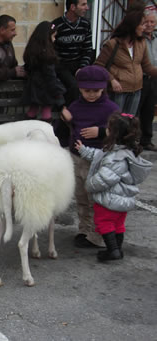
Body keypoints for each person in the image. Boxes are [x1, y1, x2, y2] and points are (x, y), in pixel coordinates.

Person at [75, 113, 153, 261]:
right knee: (118, 225)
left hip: (109, 200)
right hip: (122, 199)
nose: (106, 130)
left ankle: (112, 251)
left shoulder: (116, 158)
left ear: (115, 133)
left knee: (104, 223)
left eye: (109, 128)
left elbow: (103, 178)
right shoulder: (124, 152)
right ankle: (117, 249)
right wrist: (84, 150)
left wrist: (89, 186)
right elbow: (100, 156)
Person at [61, 65, 120, 248]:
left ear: (103, 88)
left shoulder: (111, 108)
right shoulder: (75, 106)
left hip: (99, 160)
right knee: (81, 197)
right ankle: (84, 230)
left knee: (96, 198)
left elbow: (122, 132)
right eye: (87, 91)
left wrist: (101, 132)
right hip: (77, 158)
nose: (92, 94)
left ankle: (99, 234)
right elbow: (64, 133)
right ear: (80, 88)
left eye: (96, 90)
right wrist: (65, 120)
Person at [95, 2, 157, 116]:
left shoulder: (141, 43)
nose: (145, 27)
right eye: (142, 24)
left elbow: (147, 67)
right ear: (134, 25)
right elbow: (98, 65)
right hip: (118, 91)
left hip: (136, 90)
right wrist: (112, 80)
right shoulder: (113, 44)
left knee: (130, 122)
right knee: (116, 122)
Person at [22, 21, 66, 122]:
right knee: (46, 110)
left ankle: (28, 127)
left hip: (33, 88)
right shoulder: (47, 55)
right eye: (53, 36)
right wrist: (57, 91)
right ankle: (44, 131)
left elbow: (27, 68)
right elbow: (50, 75)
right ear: (47, 37)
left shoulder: (32, 51)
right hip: (45, 89)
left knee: (33, 109)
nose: (54, 40)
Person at [52, 0, 92, 105]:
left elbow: (87, 50)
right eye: (83, 5)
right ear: (73, 7)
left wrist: (82, 67)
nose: (87, 8)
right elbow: (51, 51)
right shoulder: (56, 25)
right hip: (61, 65)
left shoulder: (85, 24)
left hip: (79, 64)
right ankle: (68, 114)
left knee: (94, 84)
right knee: (73, 86)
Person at [136, 10, 157, 151]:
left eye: (152, 22)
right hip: (140, 77)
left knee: (149, 109)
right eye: (146, 22)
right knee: (136, 110)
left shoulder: (156, 38)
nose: (149, 25)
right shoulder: (137, 38)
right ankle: (134, 139)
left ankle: (146, 139)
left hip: (154, 78)